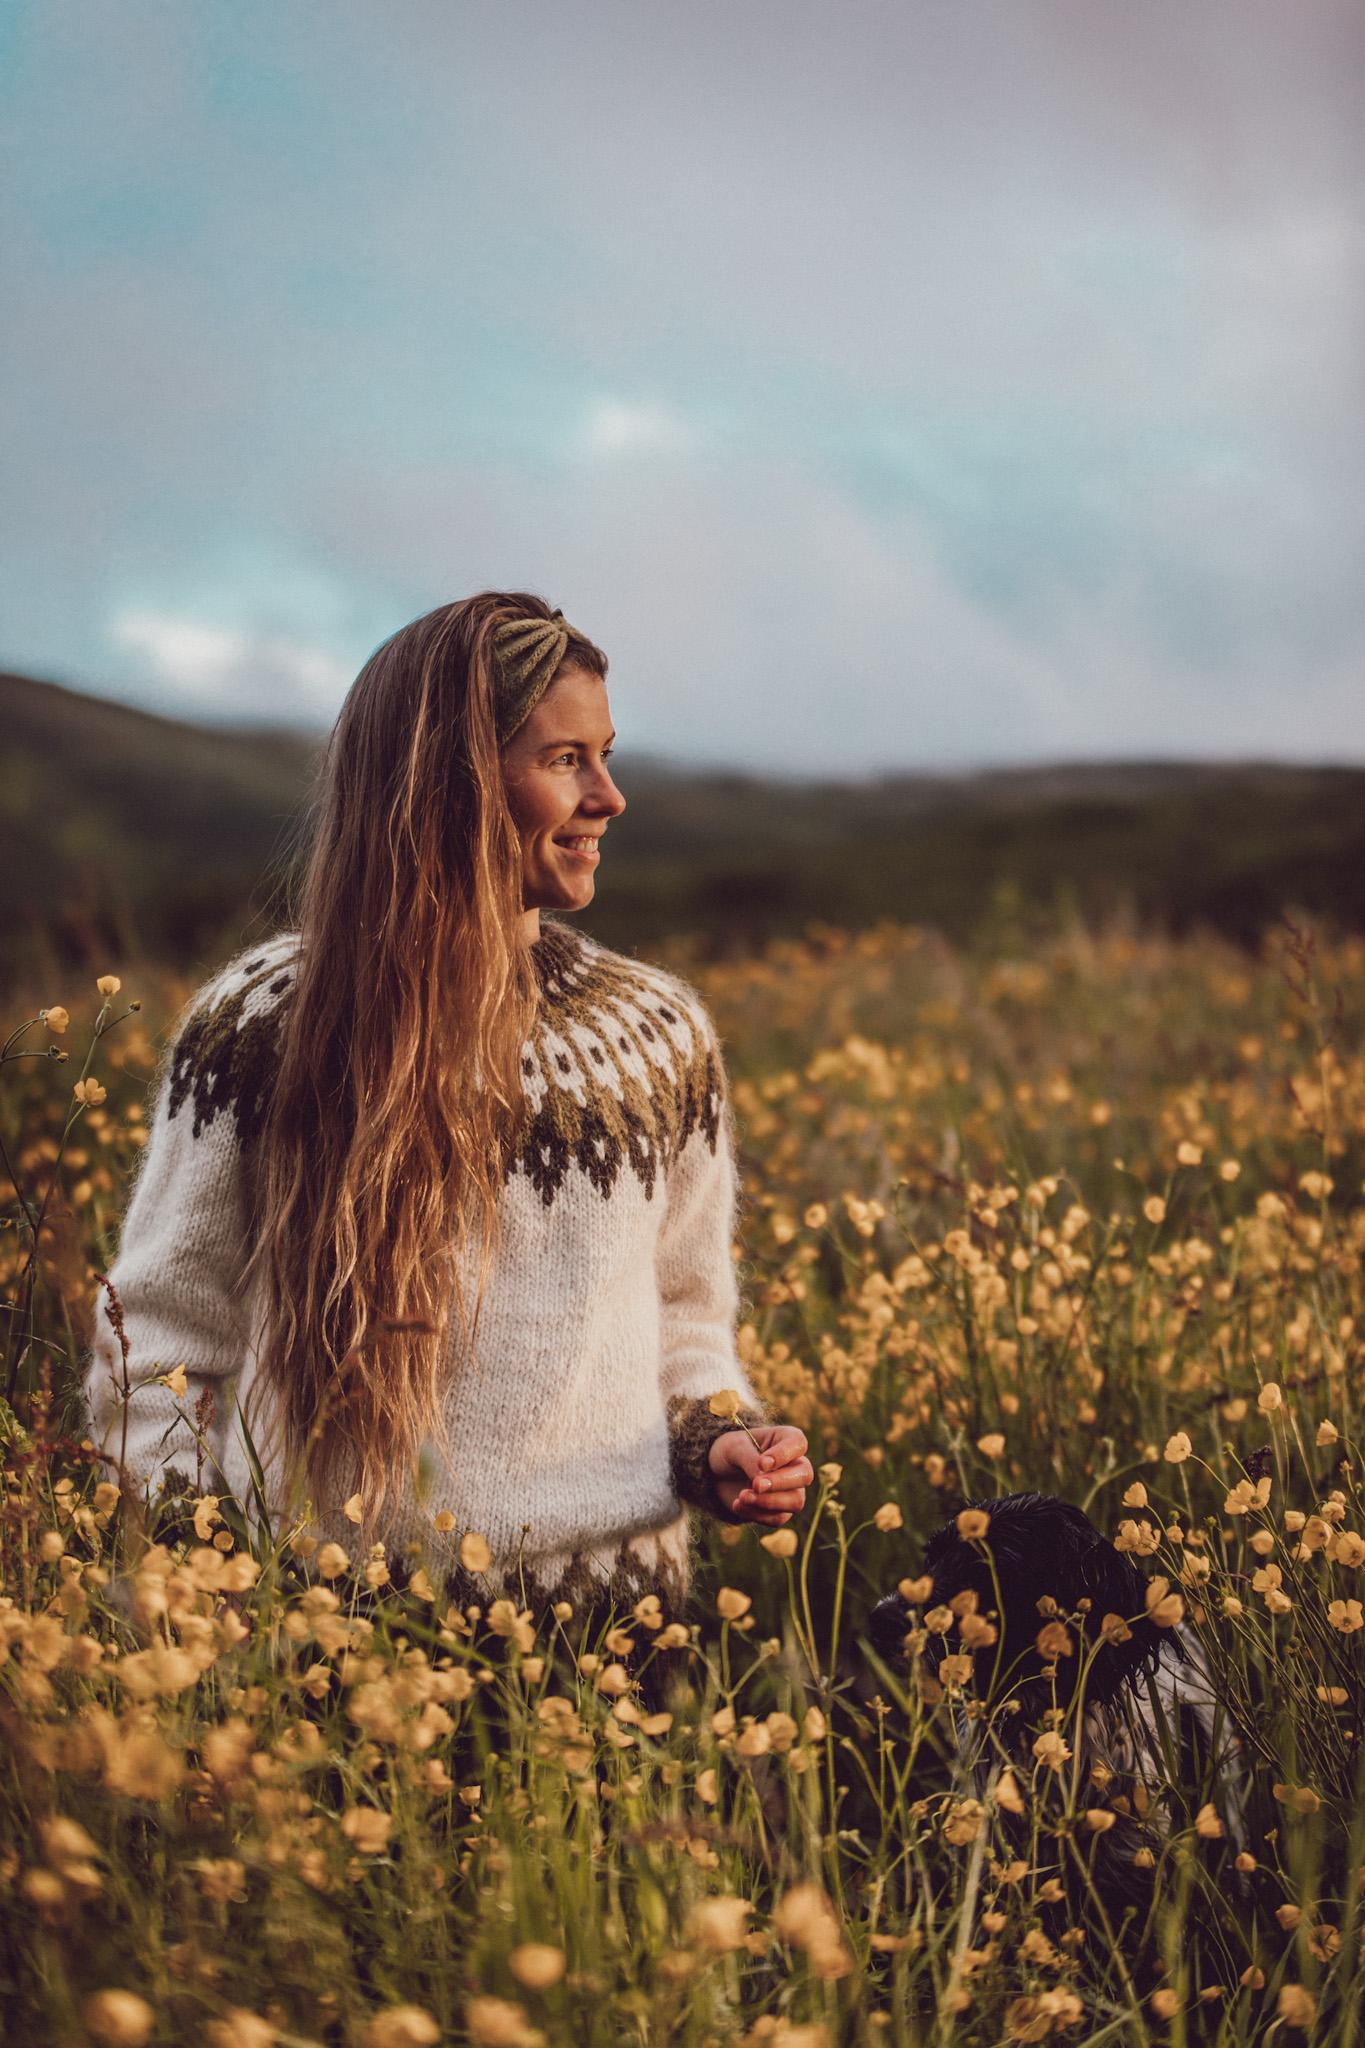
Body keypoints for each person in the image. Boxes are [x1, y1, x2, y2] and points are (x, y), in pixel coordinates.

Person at [83, 591, 812, 1640]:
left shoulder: (655, 1035)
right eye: (565, 759)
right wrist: (211, 1567)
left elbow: (686, 1317)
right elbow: (155, 1334)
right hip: (327, 1643)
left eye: (605, 755)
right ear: (452, 778)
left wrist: (720, 1441)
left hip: (615, 1641)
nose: (608, 795)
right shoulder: (263, 1027)